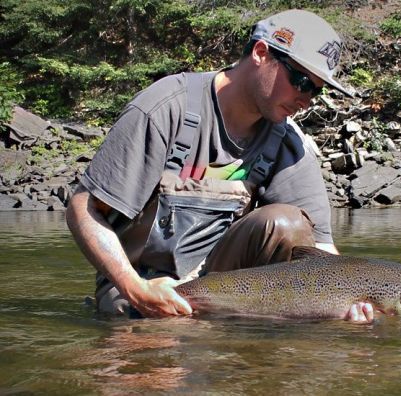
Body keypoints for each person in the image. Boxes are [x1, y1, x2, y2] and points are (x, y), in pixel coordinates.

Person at [66, 9, 374, 323]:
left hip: (224, 289)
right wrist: (135, 288)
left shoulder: (286, 142)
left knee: (287, 224)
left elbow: (322, 254)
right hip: (139, 285)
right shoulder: (166, 108)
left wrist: (346, 304)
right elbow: (83, 208)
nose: (306, 99)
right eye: (301, 81)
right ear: (261, 53)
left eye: (317, 90)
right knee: (161, 361)